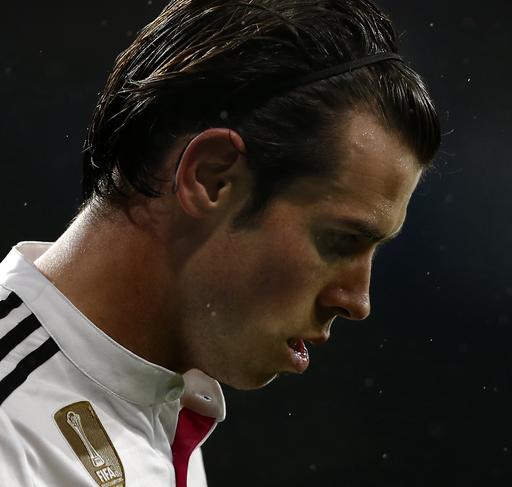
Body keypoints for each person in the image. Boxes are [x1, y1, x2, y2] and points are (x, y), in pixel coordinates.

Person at [0, 0, 440, 485]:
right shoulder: (12, 428)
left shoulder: (159, 398)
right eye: (340, 239)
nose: (358, 300)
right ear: (212, 178)